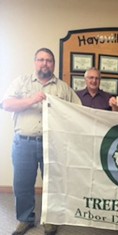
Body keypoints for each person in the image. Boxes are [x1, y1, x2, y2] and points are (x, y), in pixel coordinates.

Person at [1, 48, 81, 235]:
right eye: (41, 60)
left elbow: (78, 111)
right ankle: (25, 219)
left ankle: (51, 220)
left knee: (53, 184)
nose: (45, 63)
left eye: (49, 60)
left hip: (52, 143)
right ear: (35, 62)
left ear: (53, 64)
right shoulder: (21, 82)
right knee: (22, 183)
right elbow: (6, 104)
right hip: (24, 142)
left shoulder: (62, 87)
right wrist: (31, 100)